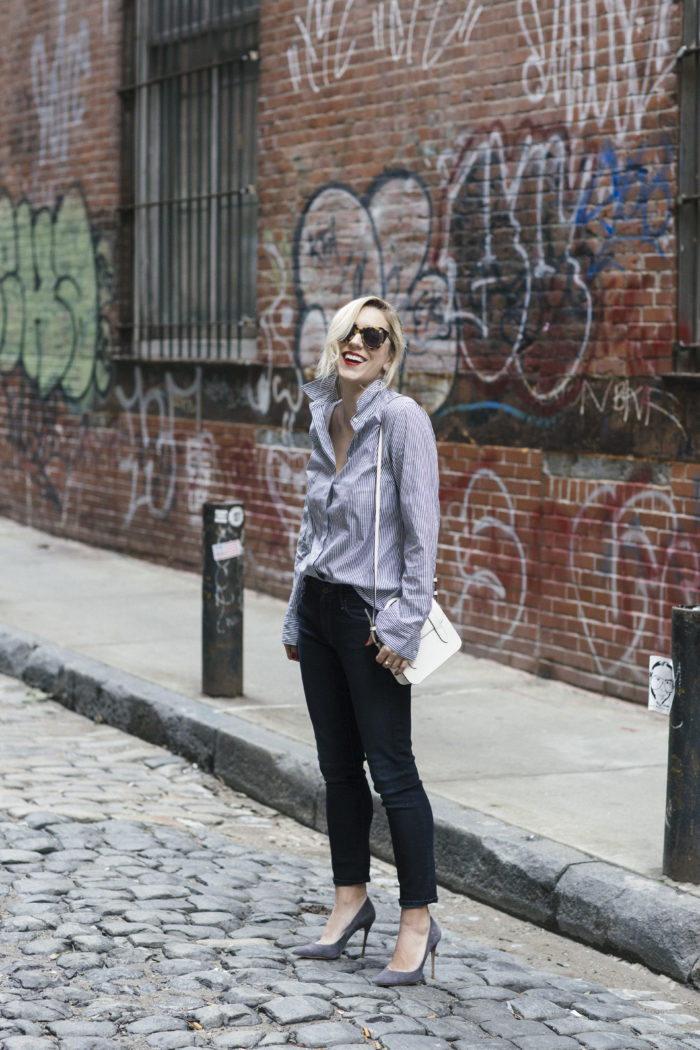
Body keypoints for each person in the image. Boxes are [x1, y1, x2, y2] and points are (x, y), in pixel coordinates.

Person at [282, 294, 441, 986]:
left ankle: (418, 920)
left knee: (392, 770)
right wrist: (296, 613)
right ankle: (350, 901)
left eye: (371, 336)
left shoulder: (402, 419)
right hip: (320, 612)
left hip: (373, 621)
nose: (356, 343)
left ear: (389, 352)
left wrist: (405, 623)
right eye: (347, 331)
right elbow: (314, 534)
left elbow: (421, 533)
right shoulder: (324, 415)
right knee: (338, 768)